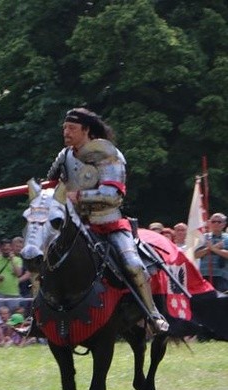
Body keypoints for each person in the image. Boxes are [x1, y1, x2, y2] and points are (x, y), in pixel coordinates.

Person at [46, 107, 168, 332]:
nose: (66, 132)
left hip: (106, 223)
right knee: (41, 255)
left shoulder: (110, 156)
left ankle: (152, 314)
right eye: (64, 128)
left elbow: (113, 196)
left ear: (87, 130)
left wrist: (79, 195)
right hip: (73, 223)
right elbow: (51, 183)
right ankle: (39, 316)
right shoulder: (64, 155)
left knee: (132, 265)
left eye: (72, 128)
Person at [0, 238, 23, 312]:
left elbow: (18, 274)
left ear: (11, 248)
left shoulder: (18, 260)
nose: (6, 250)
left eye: (8, 248)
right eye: (4, 248)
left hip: (13, 293)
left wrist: (12, 260)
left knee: (14, 316)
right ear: (1, 248)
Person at [195, 212, 228, 292]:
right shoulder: (203, 237)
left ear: (224, 224)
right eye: (213, 221)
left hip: (222, 276)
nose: (216, 224)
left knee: (221, 301)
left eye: (219, 222)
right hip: (204, 274)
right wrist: (209, 249)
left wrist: (213, 249)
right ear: (209, 223)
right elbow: (196, 255)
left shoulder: (227, 238)